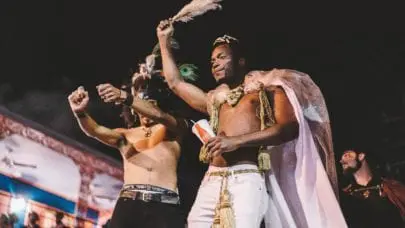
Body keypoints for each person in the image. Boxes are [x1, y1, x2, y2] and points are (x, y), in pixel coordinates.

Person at [157, 20, 347, 228]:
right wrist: (164, 41)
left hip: (246, 178)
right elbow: (176, 83)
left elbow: (288, 128)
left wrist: (236, 141)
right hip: (212, 177)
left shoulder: (268, 90)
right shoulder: (215, 100)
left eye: (221, 57)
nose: (215, 63)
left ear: (240, 61)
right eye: (212, 60)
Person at [68, 73, 190, 227]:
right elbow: (95, 130)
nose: (144, 109)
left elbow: (159, 115)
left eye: (148, 103)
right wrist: (80, 113)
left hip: (165, 204)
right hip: (129, 202)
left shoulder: (173, 128)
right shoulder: (125, 135)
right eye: (140, 104)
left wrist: (125, 97)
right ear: (133, 110)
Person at [340, 148, 405, 227]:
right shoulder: (347, 195)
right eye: (342, 159)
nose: (342, 161)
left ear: (361, 156)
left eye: (347, 155)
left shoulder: (391, 186)